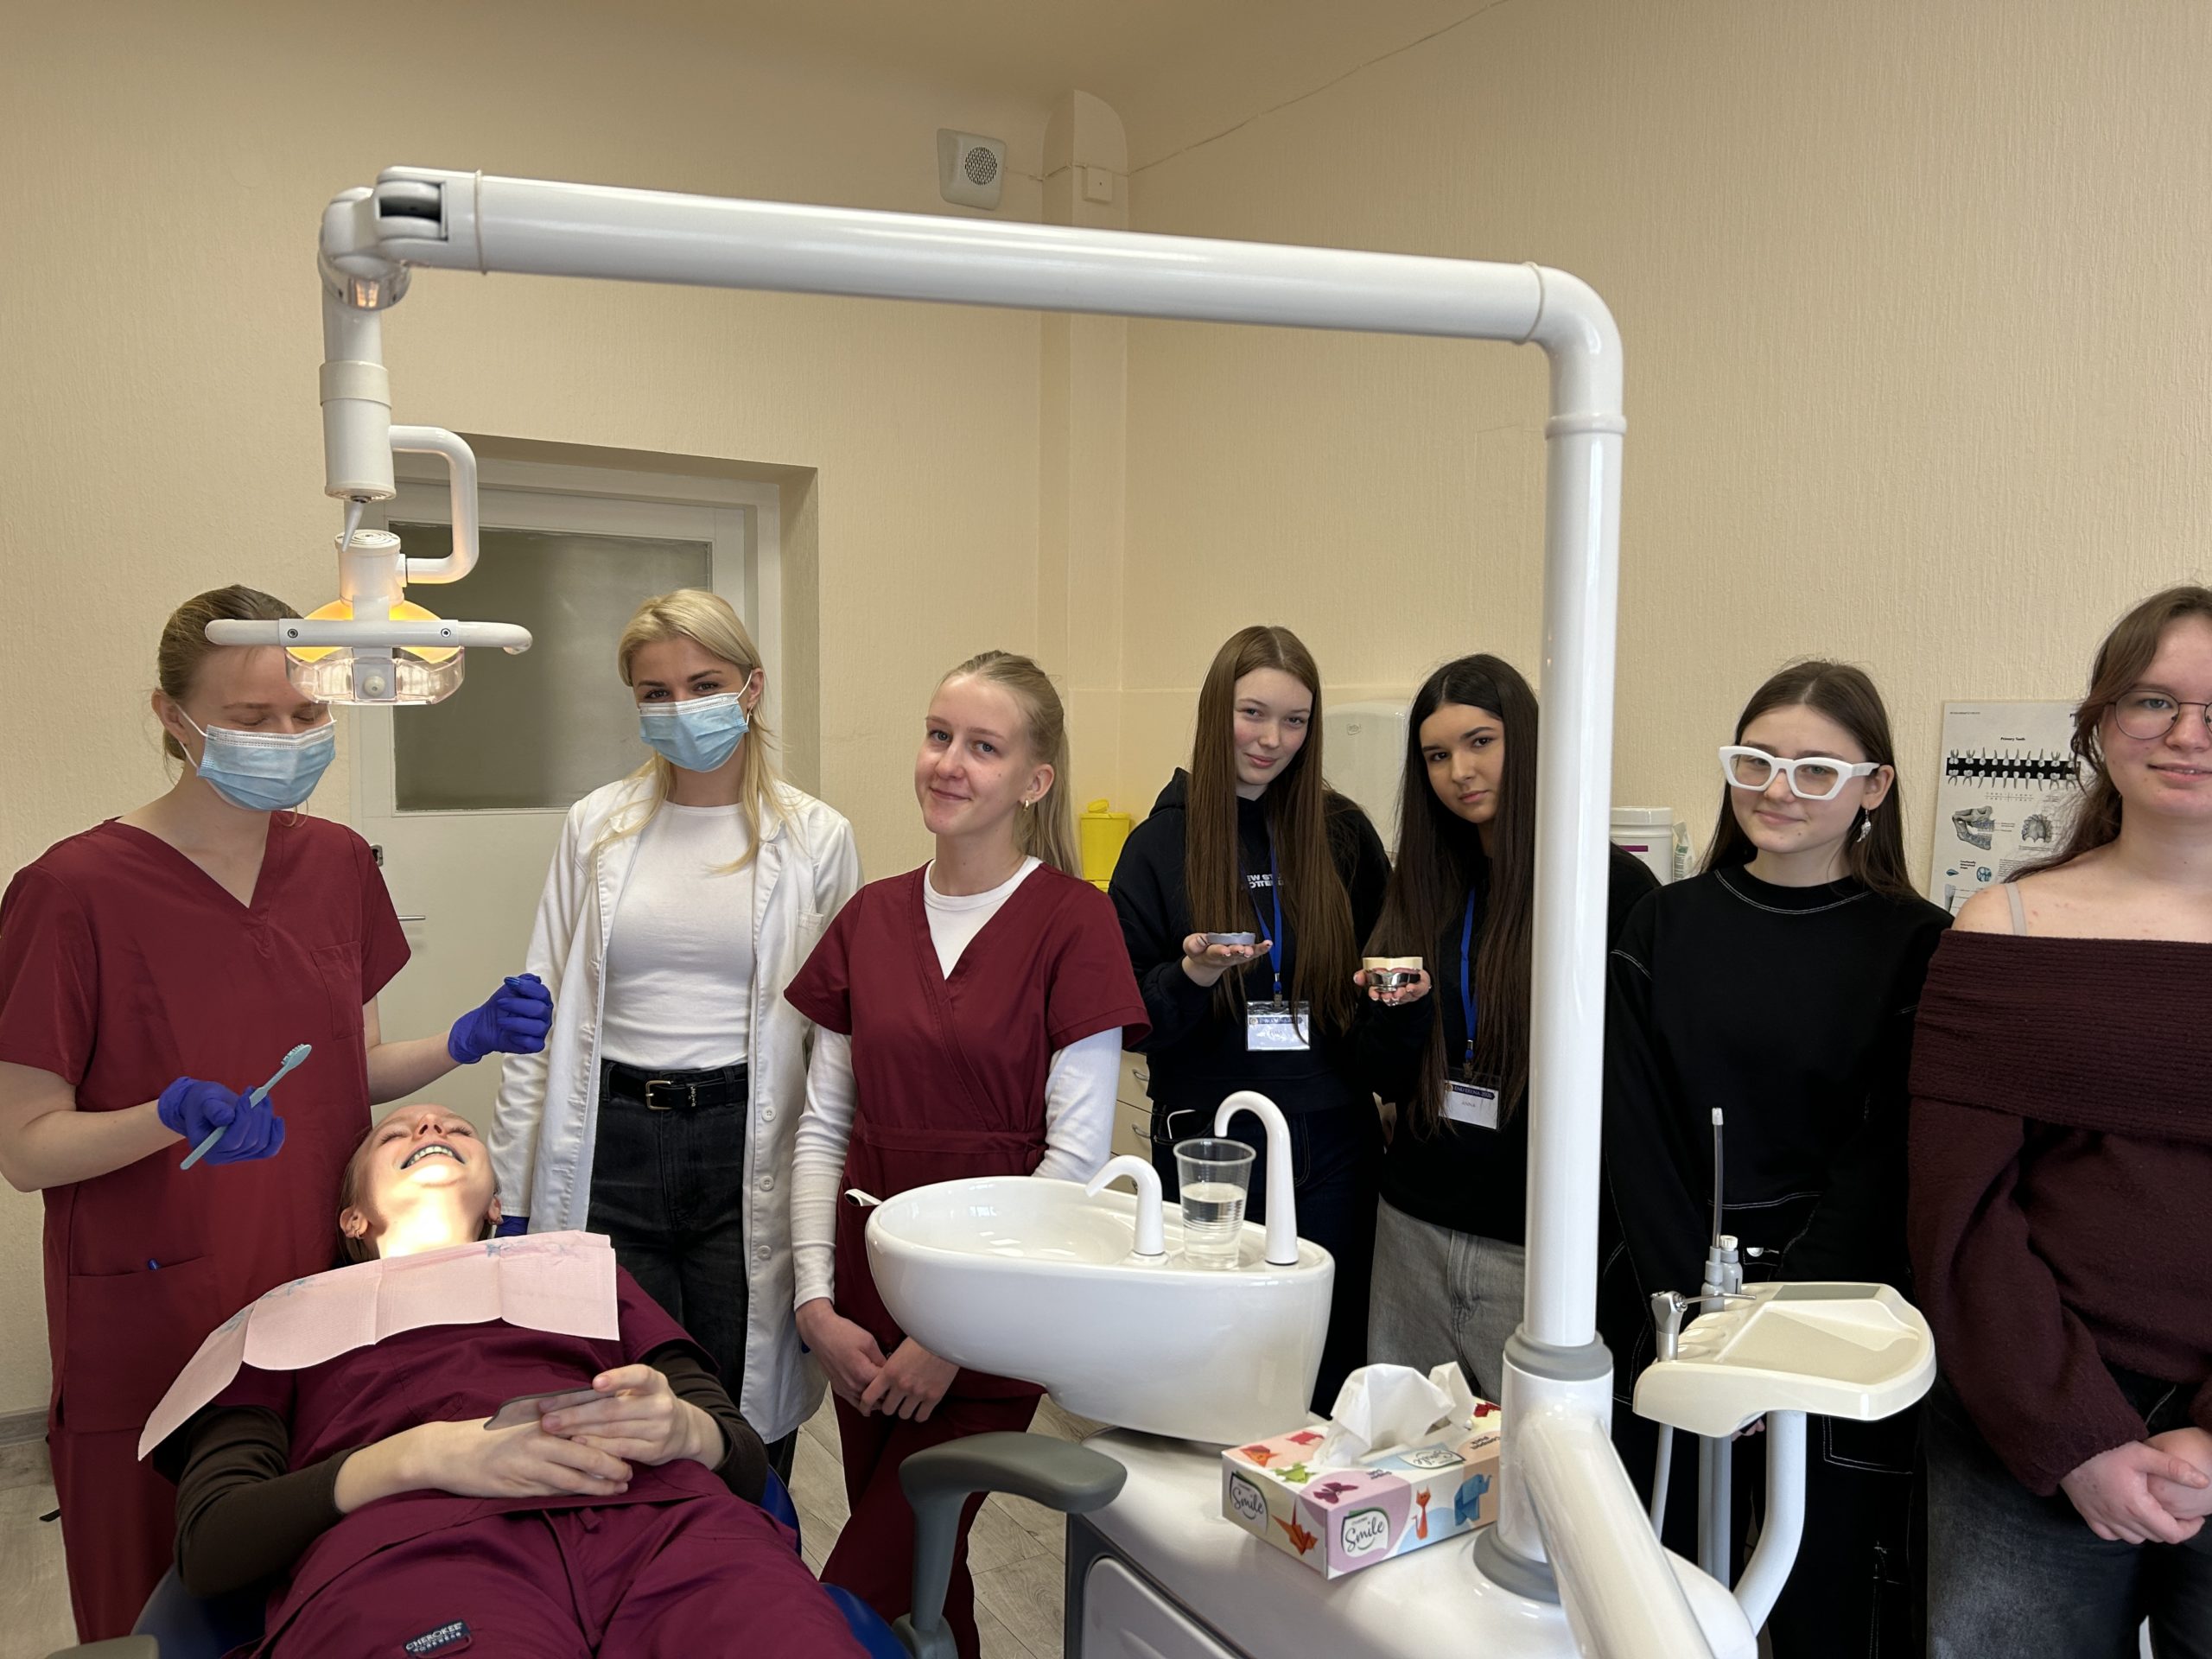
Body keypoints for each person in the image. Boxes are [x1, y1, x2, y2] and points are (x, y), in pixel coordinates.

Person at [0, 586, 551, 1643]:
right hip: (154, 1305)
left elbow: (350, 1069)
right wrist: (166, 1116)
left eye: (306, 715)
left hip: (317, 1291)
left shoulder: (335, 863)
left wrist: (464, 1039)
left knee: (313, 1591)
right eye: (251, 719)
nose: (287, 740)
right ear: (172, 717)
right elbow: (26, 1149)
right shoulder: (71, 890)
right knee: (157, 1609)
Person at [148, 1103, 866, 1658]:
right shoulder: (281, 1318)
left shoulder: (583, 1274)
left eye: (457, 1127)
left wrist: (687, 1429)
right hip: (412, 1557)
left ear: (498, 1205)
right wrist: (421, 1456)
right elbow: (211, 1543)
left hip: (667, 1528)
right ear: (353, 1218)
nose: (430, 1126)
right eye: (395, 1134)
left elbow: (742, 1460)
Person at [785, 650, 1147, 1659]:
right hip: (864, 1306)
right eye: (939, 735)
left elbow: (1074, 1162)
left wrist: (955, 1332)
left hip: (994, 1316)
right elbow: (824, 1126)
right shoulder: (870, 917)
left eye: (983, 747)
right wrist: (814, 1302)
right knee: (923, 1586)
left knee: (850, 1595)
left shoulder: (1075, 922)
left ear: (1035, 781)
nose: (948, 762)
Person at [1603, 659, 1948, 1656]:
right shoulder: (1663, 924)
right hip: (1672, 1300)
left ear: (1874, 787)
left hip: (1835, 1316)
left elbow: (1886, 1156)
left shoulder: (1919, 944)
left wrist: (1772, 1337)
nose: (1776, 789)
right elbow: (1632, 1136)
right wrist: (1700, 1323)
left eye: (1814, 770)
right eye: (1755, 762)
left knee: (1815, 1599)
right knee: (1659, 1596)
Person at [492, 590, 860, 1483]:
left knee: (740, 1407)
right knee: (610, 1399)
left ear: (751, 689)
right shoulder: (597, 826)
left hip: (746, 1142)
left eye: (704, 684)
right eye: (655, 693)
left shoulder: (817, 838)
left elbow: (840, 1045)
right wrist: (511, 1191)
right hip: (611, 1139)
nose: (680, 708)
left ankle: (756, 1557)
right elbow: (537, 1015)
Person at [1910, 587, 2212, 1657]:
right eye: (2153, 701)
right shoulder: (2006, 929)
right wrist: (2072, 1436)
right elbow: (1959, 1215)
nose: (2186, 736)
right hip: (2025, 1415)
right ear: (2099, 719)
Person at [1357, 655, 1657, 1402]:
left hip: (1535, 1244)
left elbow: (1634, 1089)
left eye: (1480, 742)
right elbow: (1384, 1075)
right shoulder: (1421, 884)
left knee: (1534, 1458)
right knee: (1405, 1446)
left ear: (1525, 740)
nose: (1460, 771)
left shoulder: (1609, 889)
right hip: (1413, 1226)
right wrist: (1397, 1015)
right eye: (1437, 755)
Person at [1108, 624, 1389, 1409]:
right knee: (1216, 1359)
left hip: (1334, 1140)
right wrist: (1191, 975)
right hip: (1212, 1143)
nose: (1272, 740)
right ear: (1215, 712)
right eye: (1253, 714)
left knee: (1326, 1357)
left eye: (1295, 721)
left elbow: (1379, 971)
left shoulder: (1342, 835)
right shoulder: (1159, 846)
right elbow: (1127, 1018)